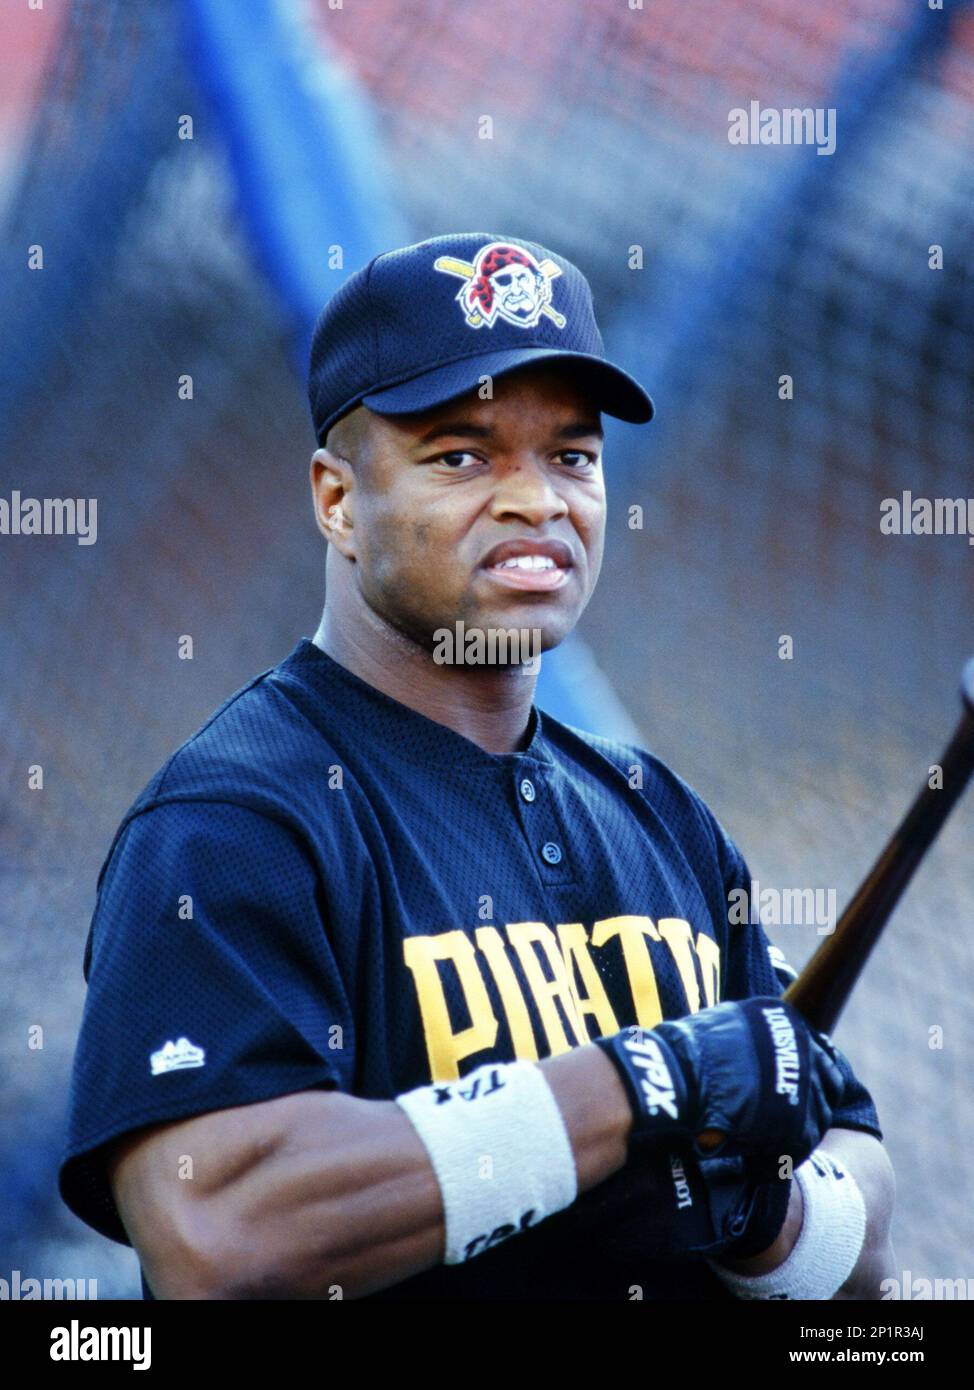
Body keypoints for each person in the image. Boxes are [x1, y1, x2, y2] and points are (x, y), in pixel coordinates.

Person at [58, 233, 895, 1301]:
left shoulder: (660, 817)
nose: (535, 501)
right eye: (462, 455)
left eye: (571, 456)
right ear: (335, 500)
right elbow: (214, 1232)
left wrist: (761, 1209)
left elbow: (859, 1204)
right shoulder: (233, 821)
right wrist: (637, 1090)